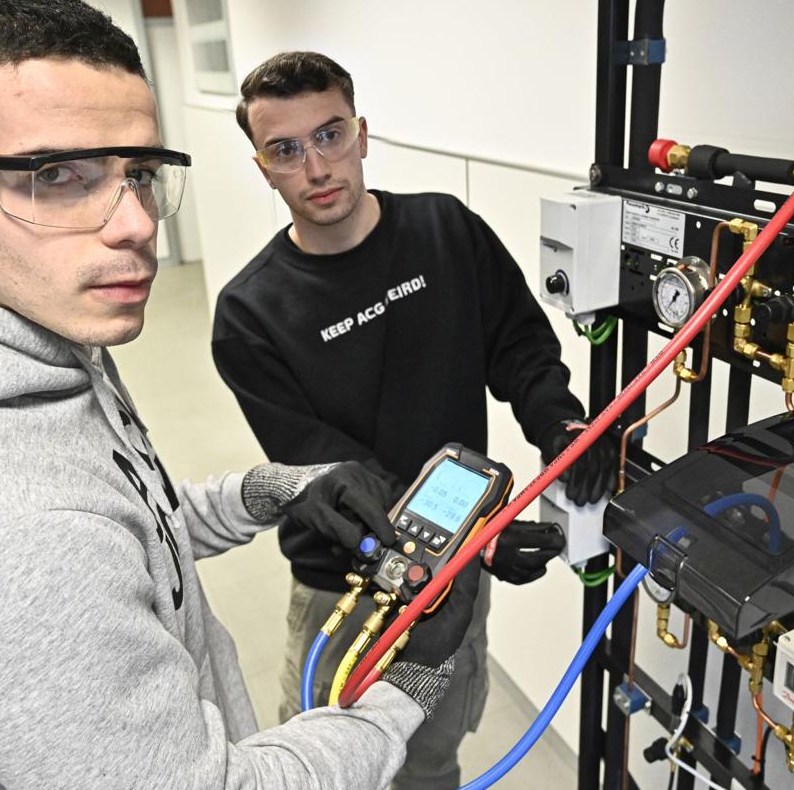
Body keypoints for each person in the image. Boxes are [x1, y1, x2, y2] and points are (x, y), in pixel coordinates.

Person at [0, 0, 482, 790]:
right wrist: (406, 691)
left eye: (140, 173)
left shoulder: (30, 335)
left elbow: (128, 522)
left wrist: (270, 491)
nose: (133, 222)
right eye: (57, 174)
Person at [211, 51, 616, 789]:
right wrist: (482, 545)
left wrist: (561, 426)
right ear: (263, 167)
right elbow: (338, 475)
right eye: (286, 150)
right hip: (347, 584)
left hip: (452, 590)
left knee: (430, 760)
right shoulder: (249, 314)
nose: (316, 166)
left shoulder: (443, 229)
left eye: (330, 135)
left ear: (362, 134)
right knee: (332, 769)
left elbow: (518, 345)